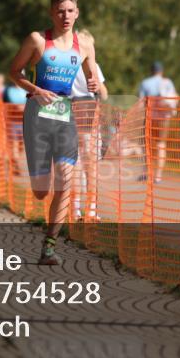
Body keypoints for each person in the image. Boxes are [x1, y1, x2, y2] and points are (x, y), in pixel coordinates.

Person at [8, 0, 99, 266]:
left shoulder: (84, 44)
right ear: (52, 13)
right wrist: (35, 89)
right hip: (37, 115)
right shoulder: (37, 40)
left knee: (66, 180)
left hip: (64, 116)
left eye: (70, 10)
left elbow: (91, 74)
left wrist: (93, 83)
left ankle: (49, 246)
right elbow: (14, 72)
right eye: (60, 11)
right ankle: (42, 196)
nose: (65, 16)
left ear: (77, 12)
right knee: (40, 190)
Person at [71, 29, 107, 221]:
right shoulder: (93, 65)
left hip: (69, 107)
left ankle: (75, 209)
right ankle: (91, 209)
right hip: (88, 109)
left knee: (74, 161)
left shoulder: (65, 64)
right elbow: (104, 92)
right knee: (90, 164)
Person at [138, 61, 178, 183]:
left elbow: (140, 103)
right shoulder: (168, 82)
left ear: (152, 70)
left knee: (147, 146)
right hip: (164, 118)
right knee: (161, 145)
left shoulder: (145, 83)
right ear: (161, 71)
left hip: (150, 117)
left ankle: (146, 172)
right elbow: (173, 98)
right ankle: (158, 176)